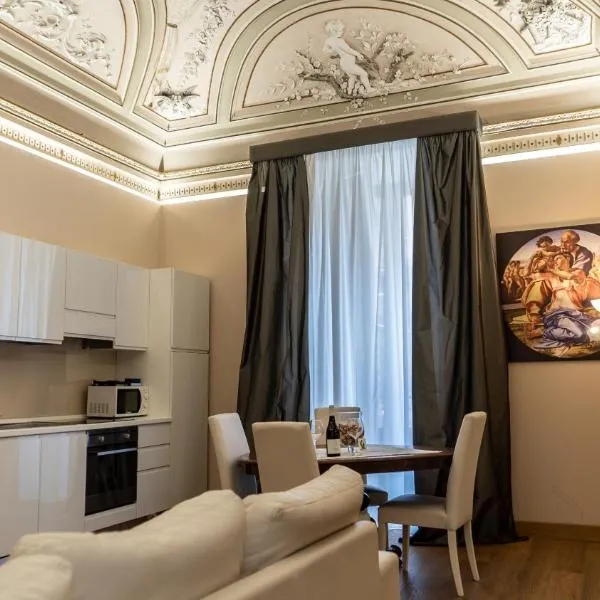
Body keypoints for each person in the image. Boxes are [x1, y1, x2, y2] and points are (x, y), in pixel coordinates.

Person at [323, 19, 374, 94]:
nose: (342, 32)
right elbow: (348, 50)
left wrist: (334, 50)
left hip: (344, 63)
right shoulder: (340, 41)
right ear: (334, 31)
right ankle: (369, 89)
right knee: (364, 74)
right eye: (341, 31)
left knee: (352, 77)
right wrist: (358, 54)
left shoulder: (329, 40)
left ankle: (349, 91)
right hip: (348, 63)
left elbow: (325, 50)